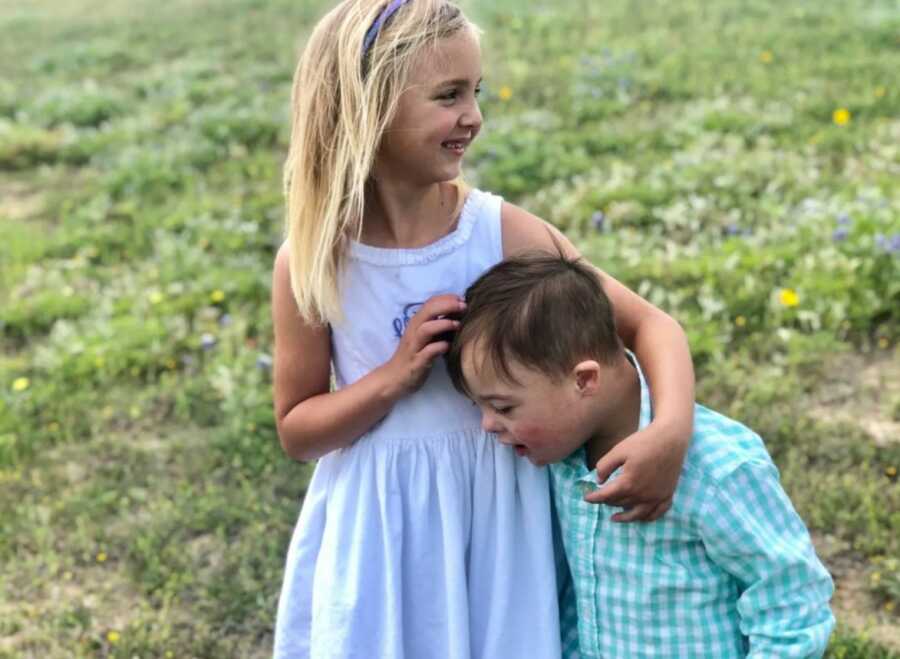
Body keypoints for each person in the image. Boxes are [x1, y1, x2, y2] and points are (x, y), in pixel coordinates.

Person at [270, 1, 697, 656]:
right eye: (448, 95)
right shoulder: (316, 257)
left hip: (501, 515)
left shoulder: (499, 232)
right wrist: (391, 380)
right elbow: (298, 428)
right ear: (369, 105)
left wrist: (669, 430)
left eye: (475, 92)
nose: (474, 116)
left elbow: (649, 325)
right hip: (384, 529)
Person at [445, 251, 836, 658]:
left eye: (504, 407)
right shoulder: (560, 461)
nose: (487, 426)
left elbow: (792, 604)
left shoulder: (716, 469)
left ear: (584, 380)